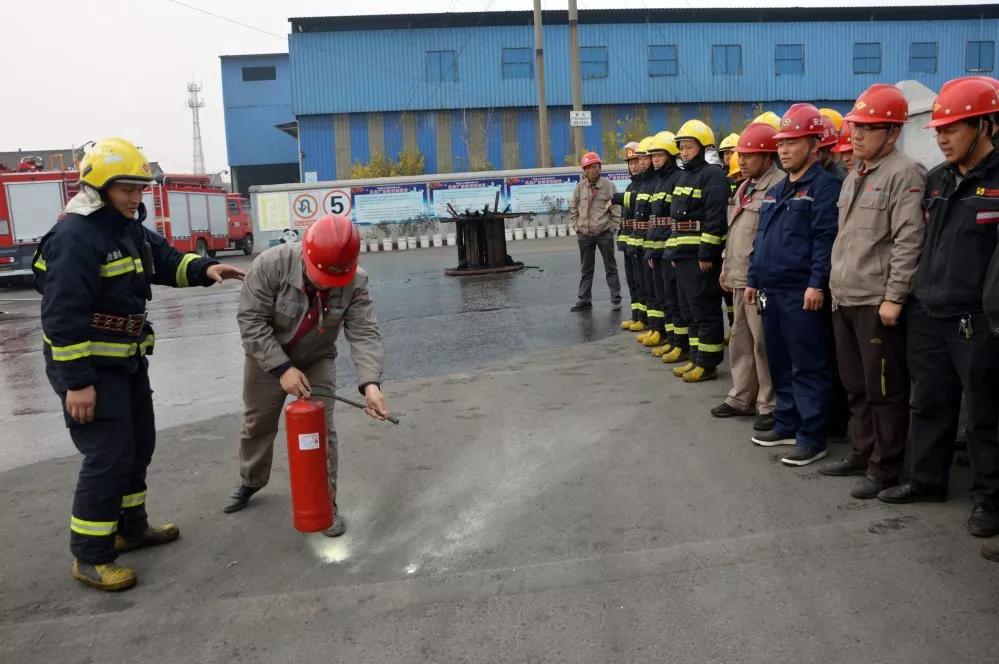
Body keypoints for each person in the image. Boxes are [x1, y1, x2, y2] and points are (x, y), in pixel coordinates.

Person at [32, 137, 246, 591]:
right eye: (127, 188)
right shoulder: (75, 236)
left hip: (126, 361)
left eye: (139, 188)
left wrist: (206, 268)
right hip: (89, 369)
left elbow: (164, 260)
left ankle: (131, 528)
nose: (136, 197)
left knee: (138, 445)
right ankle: (90, 555)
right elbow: (61, 317)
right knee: (107, 456)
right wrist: (77, 384)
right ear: (99, 186)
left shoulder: (126, 226)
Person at [877, 78, 999, 541]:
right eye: (939, 129)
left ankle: (989, 499)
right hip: (929, 313)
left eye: (954, 128)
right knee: (928, 402)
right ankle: (927, 479)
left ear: (985, 124)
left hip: (978, 321)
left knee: (985, 416)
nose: (943, 137)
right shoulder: (937, 180)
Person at [225, 214, 389, 538]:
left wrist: (371, 385)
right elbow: (251, 321)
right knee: (258, 423)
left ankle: (326, 505)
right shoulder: (270, 265)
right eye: (322, 276)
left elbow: (364, 332)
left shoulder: (357, 281)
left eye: (336, 278)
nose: (328, 284)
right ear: (307, 255)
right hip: (266, 358)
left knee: (321, 431)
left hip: (316, 357)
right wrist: (282, 368)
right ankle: (250, 480)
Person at [820, 84, 927, 499]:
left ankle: (886, 468)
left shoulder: (905, 174)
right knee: (856, 384)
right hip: (845, 298)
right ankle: (862, 453)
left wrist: (895, 297)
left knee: (884, 389)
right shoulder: (854, 177)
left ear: (893, 133)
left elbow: (908, 240)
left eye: (869, 127)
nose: (857, 135)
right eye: (856, 126)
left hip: (875, 303)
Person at [745, 104, 841, 466]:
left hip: (802, 294)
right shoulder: (778, 189)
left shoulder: (825, 188)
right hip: (772, 291)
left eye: (793, 142)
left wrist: (817, 283)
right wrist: (754, 277)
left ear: (815, 146)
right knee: (780, 362)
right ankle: (786, 423)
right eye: (782, 143)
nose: (784, 149)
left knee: (808, 365)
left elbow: (824, 239)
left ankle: (813, 436)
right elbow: (762, 236)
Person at [713, 122, 783, 432]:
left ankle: (768, 403)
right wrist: (726, 267)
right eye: (741, 156)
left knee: (762, 343)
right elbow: (735, 233)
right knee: (740, 341)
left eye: (749, 156)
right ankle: (741, 396)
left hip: (761, 281)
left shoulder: (778, 185)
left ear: (768, 156)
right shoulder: (744, 187)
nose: (742, 162)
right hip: (739, 277)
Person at [663, 120, 730, 382]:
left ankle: (708, 363)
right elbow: (675, 219)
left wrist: (707, 253)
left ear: (703, 148)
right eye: (681, 147)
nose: (684, 152)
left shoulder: (712, 174)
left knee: (705, 309)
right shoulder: (685, 175)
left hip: (698, 255)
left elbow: (715, 218)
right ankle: (695, 357)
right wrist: (672, 252)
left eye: (689, 147)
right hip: (682, 253)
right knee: (690, 309)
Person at [637, 131, 682, 350]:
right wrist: (650, 251)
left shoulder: (676, 179)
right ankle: (666, 335)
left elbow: (673, 220)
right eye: (652, 156)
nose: (654, 160)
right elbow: (654, 221)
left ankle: (675, 341)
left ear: (670, 156)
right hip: (656, 248)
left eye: (659, 156)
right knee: (662, 296)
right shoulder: (658, 182)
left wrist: (669, 251)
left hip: (669, 248)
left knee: (673, 298)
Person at [569, 151, 622, 312]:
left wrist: (612, 228)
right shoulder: (579, 188)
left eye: (594, 166)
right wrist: (576, 227)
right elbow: (573, 208)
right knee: (586, 269)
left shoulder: (608, 186)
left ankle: (615, 299)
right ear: (584, 170)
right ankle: (584, 300)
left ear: (600, 167)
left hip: (604, 234)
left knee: (610, 268)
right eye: (588, 167)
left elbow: (616, 209)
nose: (591, 170)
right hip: (584, 235)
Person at [615, 142, 643, 329]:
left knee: (643, 283)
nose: (633, 165)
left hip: (640, 243)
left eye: (636, 161)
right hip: (628, 241)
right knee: (632, 281)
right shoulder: (631, 186)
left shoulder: (645, 186)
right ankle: (636, 315)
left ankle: (644, 319)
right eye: (630, 162)